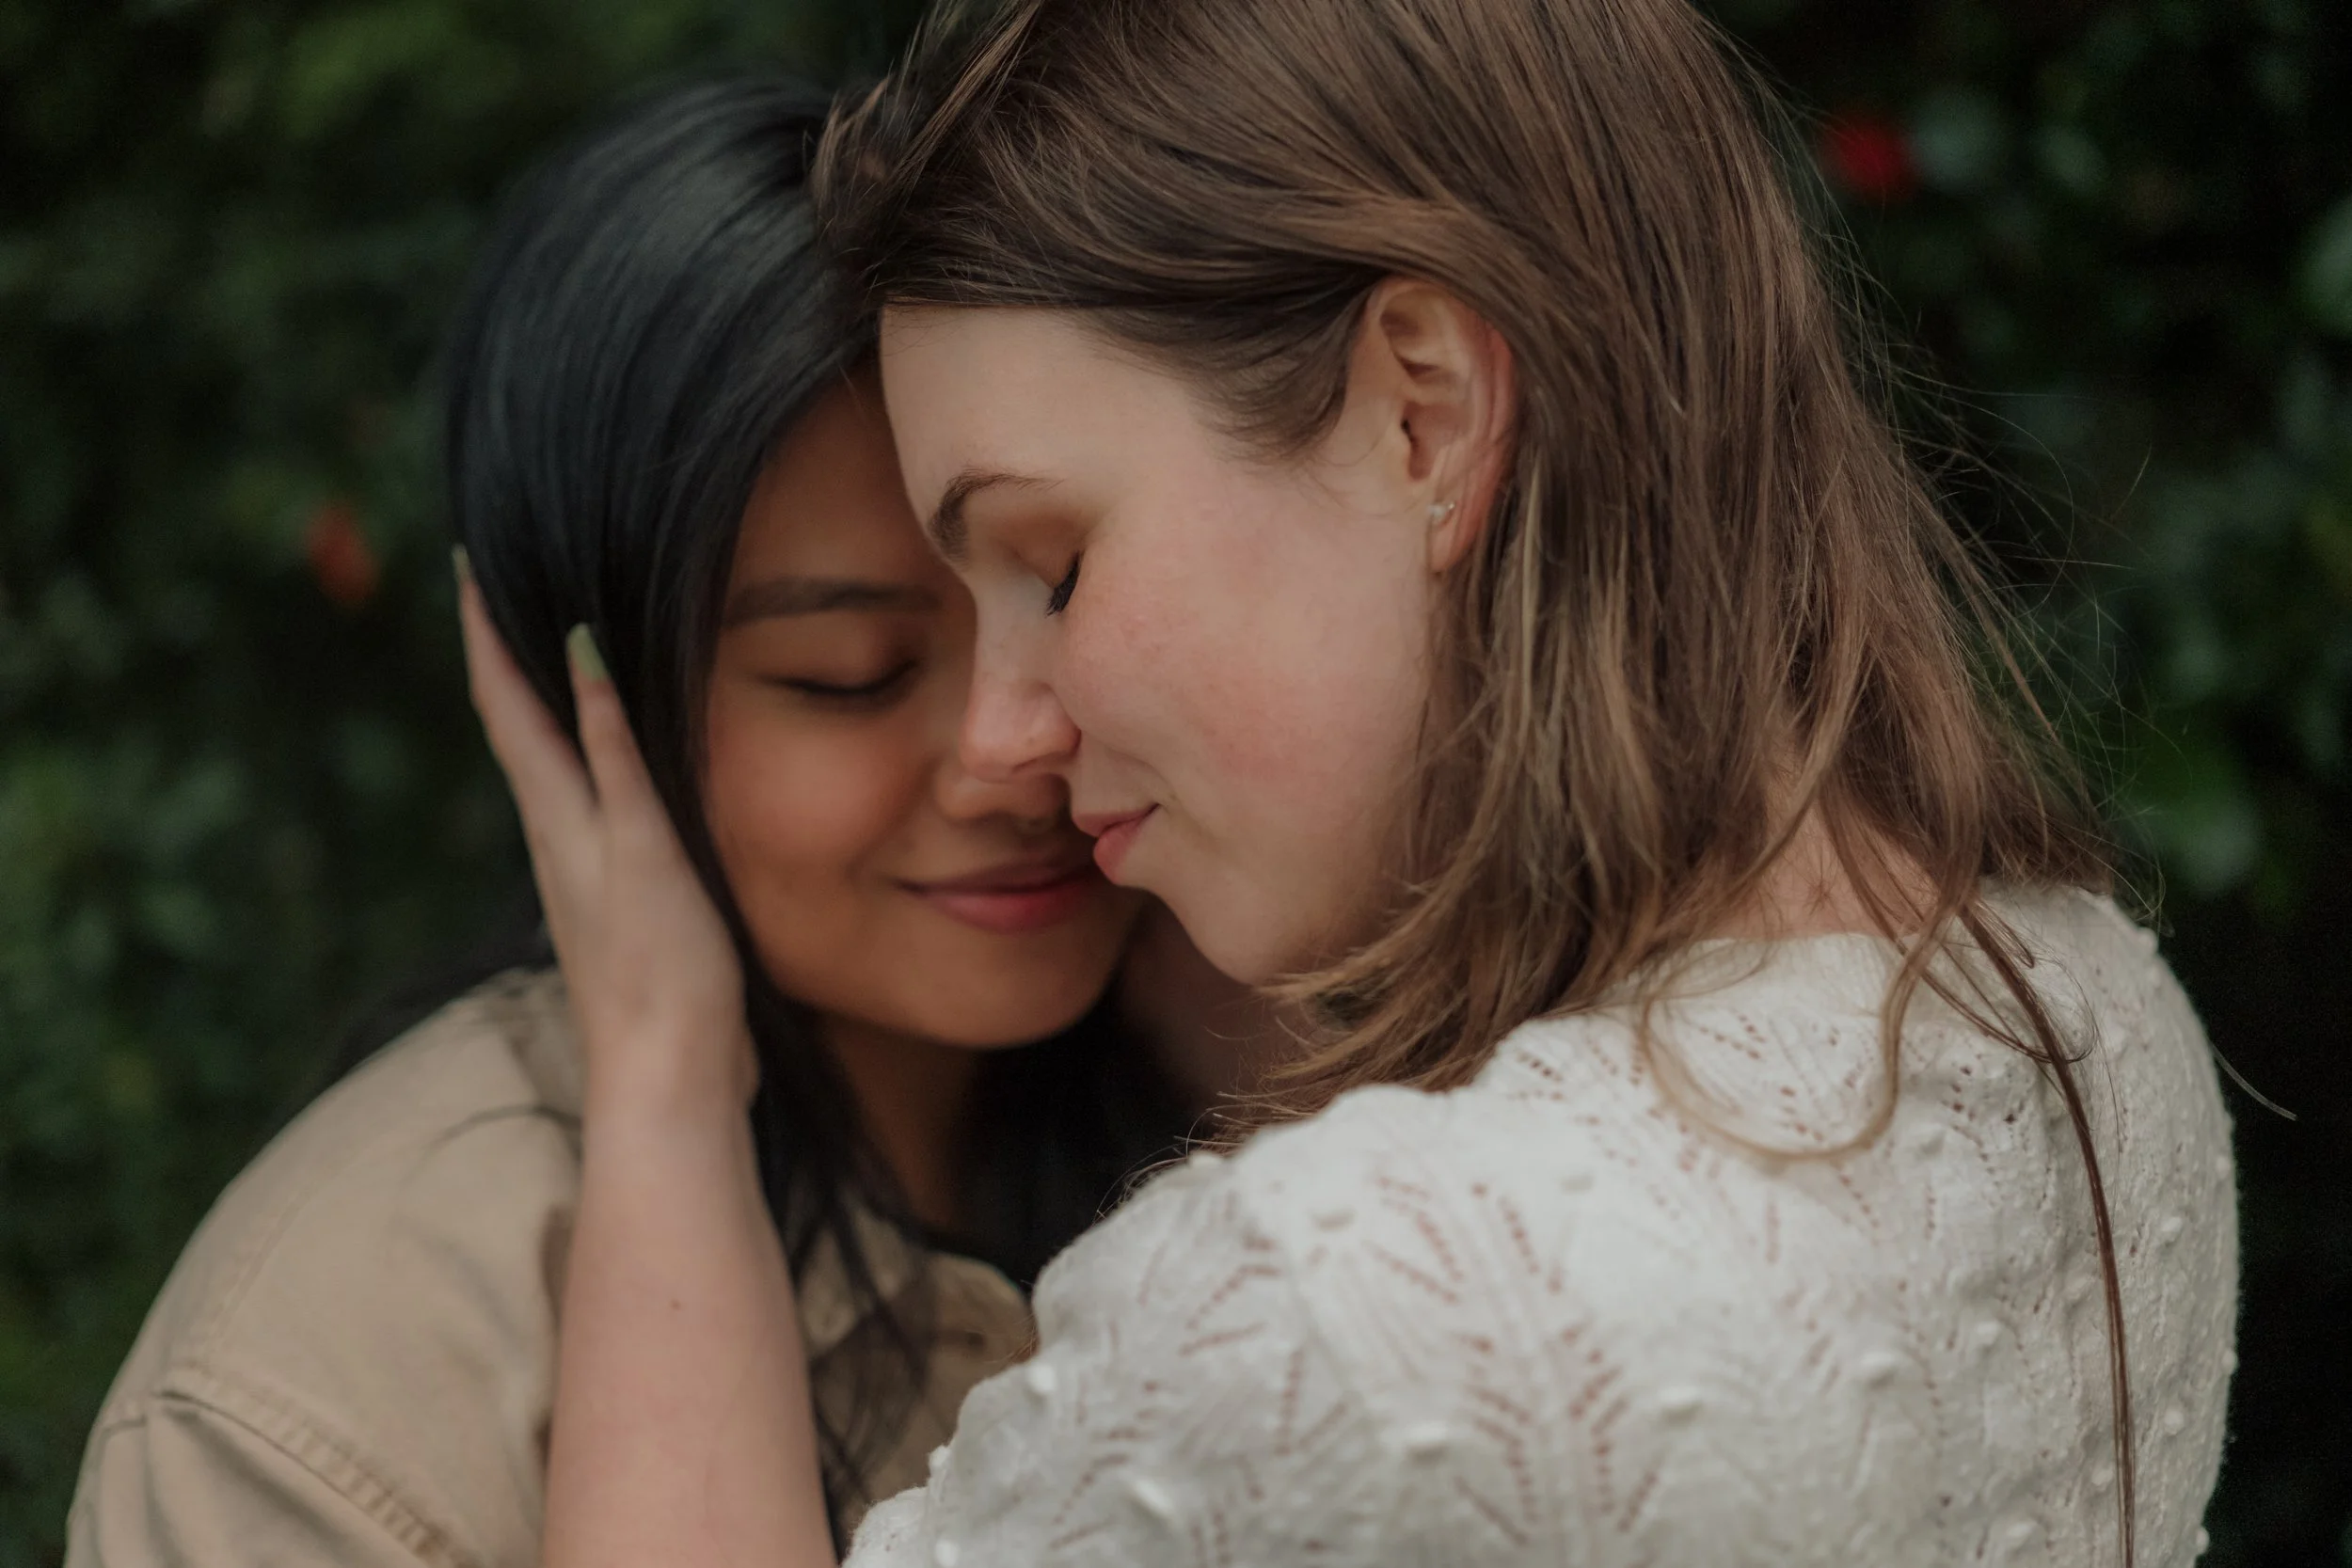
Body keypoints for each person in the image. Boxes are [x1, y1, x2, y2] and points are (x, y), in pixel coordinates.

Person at [468, 2, 2239, 1564]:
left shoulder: (1345, 1304)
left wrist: (662, 1069)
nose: (1005, 733)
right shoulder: (2086, 1013)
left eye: (1054, 563)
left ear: (1424, 415)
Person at [65, 75, 1264, 1568]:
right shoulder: (339, 1379)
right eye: (849, 674)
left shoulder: (1280, 1051)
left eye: (1061, 595)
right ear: (580, 691)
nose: (1009, 749)